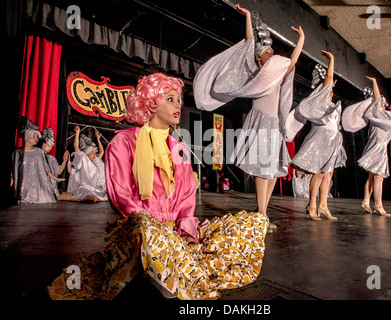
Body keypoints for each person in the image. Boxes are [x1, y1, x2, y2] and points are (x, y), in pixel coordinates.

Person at [48, 73, 269, 300]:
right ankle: (171, 275)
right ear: (151, 103)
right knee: (145, 227)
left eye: (179, 100)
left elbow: (186, 199)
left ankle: (175, 270)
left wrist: (185, 231)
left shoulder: (179, 149)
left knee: (254, 222)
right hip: (139, 231)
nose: (178, 105)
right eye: (170, 99)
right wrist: (157, 230)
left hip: (176, 231)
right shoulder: (123, 143)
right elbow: (121, 197)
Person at [193, 4, 305, 231]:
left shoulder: (276, 75)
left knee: (273, 170)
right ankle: (261, 214)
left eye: (272, 52)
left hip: (273, 124)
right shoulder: (257, 72)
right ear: (259, 59)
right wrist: (246, 18)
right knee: (263, 169)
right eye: (266, 53)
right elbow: (249, 43)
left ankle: (262, 212)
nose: (271, 54)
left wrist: (301, 38)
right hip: (261, 121)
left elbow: (292, 61)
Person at [285, 51, 346, 221]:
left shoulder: (332, 104)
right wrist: (332, 59)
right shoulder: (321, 102)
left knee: (328, 174)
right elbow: (329, 77)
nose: (331, 89)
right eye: (328, 87)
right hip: (322, 138)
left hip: (333, 139)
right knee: (319, 174)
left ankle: (323, 206)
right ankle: (312, 205)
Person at [342, 76, 391, 217]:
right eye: (381, 103)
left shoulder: (384, 117)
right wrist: (374, 82)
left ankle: (366, 201)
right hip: (377, 147)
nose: (383, 105)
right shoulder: (375, 114)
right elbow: (377, 97)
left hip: (379, 146)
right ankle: (378, 205)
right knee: (378, 177)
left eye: (383, 104)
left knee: (373, 177)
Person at [11, 128, 65, 204]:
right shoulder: (18, 153)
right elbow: (15, 170)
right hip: (25, 188)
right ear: (28, 137)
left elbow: (46, 169)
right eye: (34, 137)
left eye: (37, 137)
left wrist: (55, 178)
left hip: (39, 189)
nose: (36, 139)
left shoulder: (39, 152)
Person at [57, 126, 107, 202]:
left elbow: (102, 152)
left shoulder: (96, 161)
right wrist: (77, 133)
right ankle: (65, 196)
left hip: (94, 188)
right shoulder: (83, 159)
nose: (94, 155)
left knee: (101, 196)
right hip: (84, 186)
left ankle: (83, 197)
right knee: (93, 198)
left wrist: (98, 139)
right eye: (92, 153)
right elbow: (76, 147)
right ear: (87, 154)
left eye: (94, 153)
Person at [38, 127, 70, 196]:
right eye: (48, 145)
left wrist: (64, 161)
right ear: (43, 144)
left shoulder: (51, 158)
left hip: (52, 188)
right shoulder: (37, 157)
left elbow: (58, 171)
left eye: (51, 146)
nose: (50, 148)